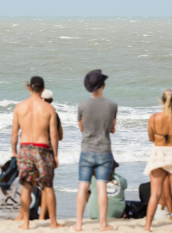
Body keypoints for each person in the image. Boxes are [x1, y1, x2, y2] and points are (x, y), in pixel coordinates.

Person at [11, 76, 63, 230]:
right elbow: (54, 135)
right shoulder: (49, 108)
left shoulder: (19, 107)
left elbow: (14, 134)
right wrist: (55, 155)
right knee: (47, 186)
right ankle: (53, 222)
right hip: (43, 148)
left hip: (25, 148)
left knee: (26, 187)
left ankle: (25, 223)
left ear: (29, 88)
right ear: (43, 89)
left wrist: (14, 151)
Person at [71, 69, 118, 232]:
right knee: (102, 187)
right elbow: (112, 129)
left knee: (82, 187)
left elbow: (81, 128)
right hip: (104, 151)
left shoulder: (82, 105)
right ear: (103, 85)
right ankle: (103, 224)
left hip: (86, 150)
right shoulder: (112, 105)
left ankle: (78, 224)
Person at [143, 90, 172, 232]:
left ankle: (147, 227)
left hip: (159, 153)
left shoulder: (153, 118)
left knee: (155, 194)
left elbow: (151, 138)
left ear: (162, 100)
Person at [39, 89, 63, 220]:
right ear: (51, 101)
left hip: (32, 148)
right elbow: (59, 136)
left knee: (30, 185)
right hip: (48, 150)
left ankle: (38, 215)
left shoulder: (34, 112)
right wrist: (55, 155)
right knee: (47, 185)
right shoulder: (55, 114)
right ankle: (45, 216)